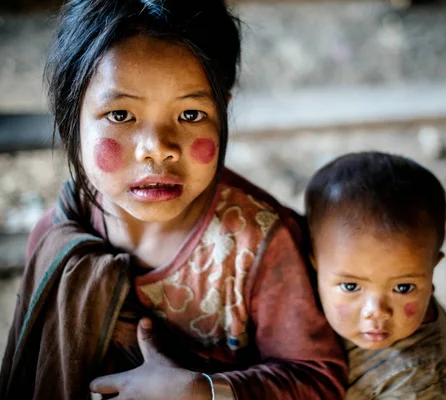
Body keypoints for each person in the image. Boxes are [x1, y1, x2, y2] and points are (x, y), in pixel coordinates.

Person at [0, 0, 346, 399]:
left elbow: (318, 377)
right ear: (71, 116)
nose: (157, 148)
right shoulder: (57, 239)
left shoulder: (257, 244)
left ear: (223, 112)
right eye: (120, 115)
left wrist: (207, 392)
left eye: (191, 115)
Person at [305, 151, 446, 399]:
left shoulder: (419, 381)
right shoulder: (297, 280)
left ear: (432, 269)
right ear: (314, 263)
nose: (376, 310)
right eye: (351, 287)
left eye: (403, 288)